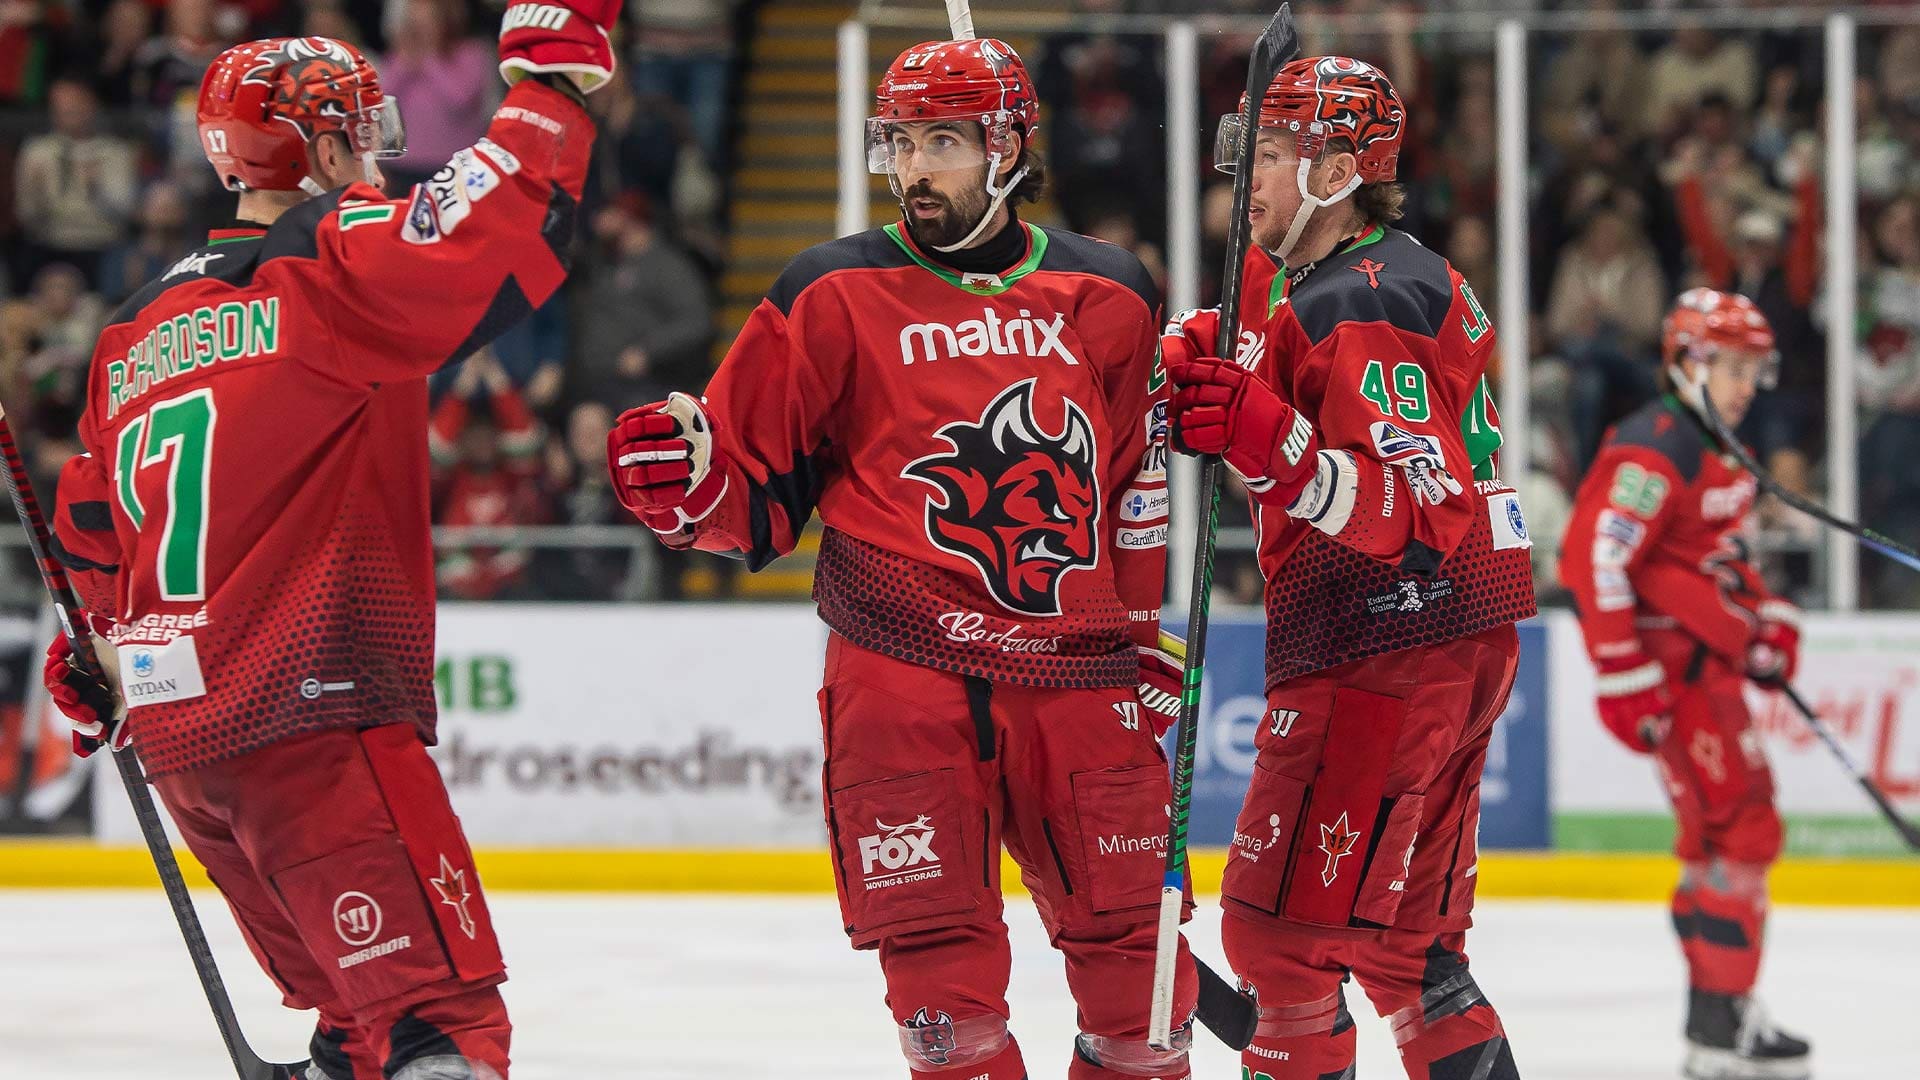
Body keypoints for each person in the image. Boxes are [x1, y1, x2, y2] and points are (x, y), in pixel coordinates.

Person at [36, 6, 619, 1076]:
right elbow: (492, 234)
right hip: (313, 720)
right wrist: (553, 85)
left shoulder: (131, 332)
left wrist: (97, 654)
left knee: (356, 1030)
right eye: (360, 131)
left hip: (186, 749)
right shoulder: (320, 261)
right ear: (324, 146)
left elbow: (87, 528)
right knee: (440, 1026)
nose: (376, 155)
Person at [606, 35, 1200, 1080]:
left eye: (942, 142)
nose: (914, 170)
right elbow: (749, 500)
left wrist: (1143, 640)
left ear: (1010, 145)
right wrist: (683, 495)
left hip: (1072, 676)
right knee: (944, 1005)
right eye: (902, 143)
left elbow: (1133, 491)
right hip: (900, 677)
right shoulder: (826, 291)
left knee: (1141, 997)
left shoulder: (1109, 291)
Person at [1159, 56, 1536, 1080]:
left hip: (1387, 637)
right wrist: (1220, 353)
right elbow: (1271, 351)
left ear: (1340, 172)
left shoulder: (1363, 299)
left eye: (1276, 158)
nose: (1254, 182)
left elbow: (1421, 510)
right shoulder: (1339, 277)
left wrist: (1265, 438)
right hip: (1451, 633)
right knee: (1409, 947)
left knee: (1282, 945)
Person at [1557, 288, 1808, 1080]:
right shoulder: (1655, 445)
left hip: (1711, 672)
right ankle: (1718, 1029)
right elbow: (1594, 559)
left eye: (1754, 371)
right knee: (1740, 832)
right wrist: (1623, 676)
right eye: (1733, 367)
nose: (1744, 385)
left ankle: (1720, 1016)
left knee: (1719, 840)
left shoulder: (1713, 441)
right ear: (1689, 362)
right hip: (1680, 684)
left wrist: (1764, 619)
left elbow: (1711, 552)